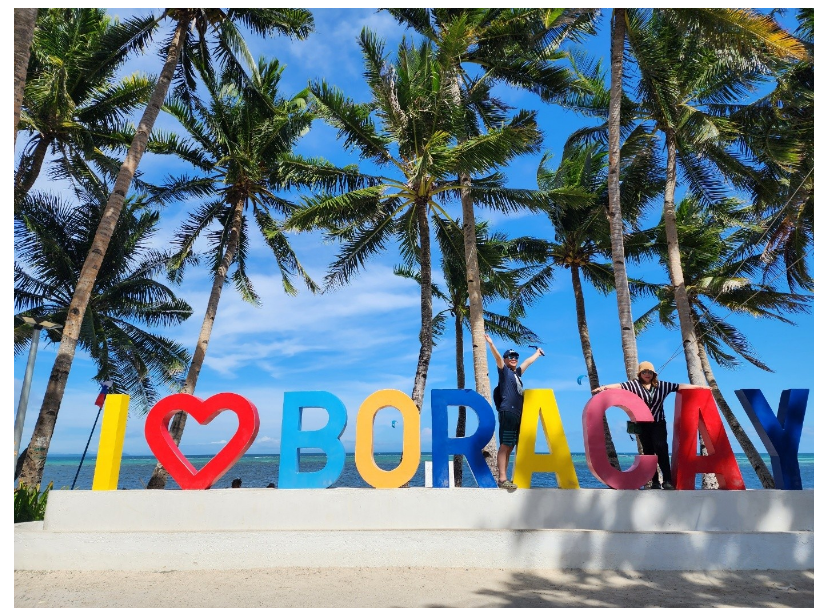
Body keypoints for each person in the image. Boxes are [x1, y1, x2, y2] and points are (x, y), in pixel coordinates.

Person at [593, 361, 709, 490]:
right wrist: (603, 388)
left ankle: (667, 480)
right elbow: (619, 386)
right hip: (642, 425)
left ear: (654, 374)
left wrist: (701, 387)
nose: (647, 374)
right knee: (648, 452)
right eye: (644, 372)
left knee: (661, 449)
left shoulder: (662, 385)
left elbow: (680, 386)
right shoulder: (634, 385)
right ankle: (655, 481)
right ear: (640, 373)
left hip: (658, 423)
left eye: (650, 372)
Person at [485, 333, 544, 491]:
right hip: (508, 411)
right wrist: (491, 344)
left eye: (515, 356)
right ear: (505, 360)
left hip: (517, 413)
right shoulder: (504, 372)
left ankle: (505, 477)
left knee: (510, 446)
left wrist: (537, 354)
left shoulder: (516, 373)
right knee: (505, 445)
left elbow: (527, 363)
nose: (513, 358)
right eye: (510, 356)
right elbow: (497, 358)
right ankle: (502, 478)